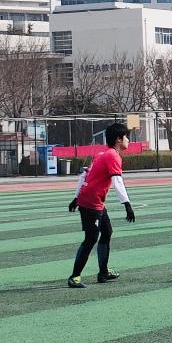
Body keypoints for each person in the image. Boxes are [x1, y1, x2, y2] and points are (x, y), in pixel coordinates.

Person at [66, 123, 136, 289]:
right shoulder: (113, 156)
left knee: (107, 231)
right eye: (126, 137)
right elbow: (117, 181)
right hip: (91, 201)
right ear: (119, 139)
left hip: (93, 200)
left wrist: (76, 197)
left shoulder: (102, 153)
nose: (128, 140)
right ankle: (74, 276)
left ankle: (103, 272)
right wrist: (127, 204)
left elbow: (85, 175)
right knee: (91, 238)